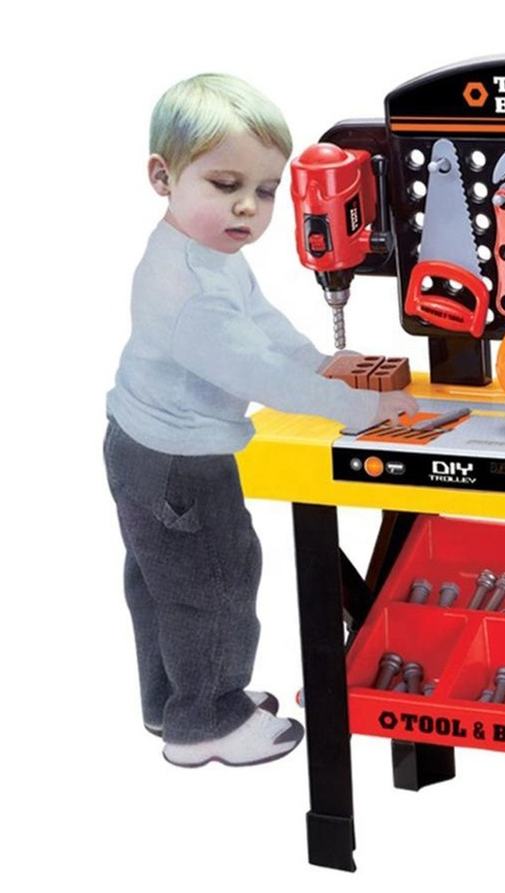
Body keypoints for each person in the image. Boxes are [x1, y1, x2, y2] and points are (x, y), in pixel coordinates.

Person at [103, 73, 417, 768]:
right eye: (226, 185)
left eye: (267, 189)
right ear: (162, 176)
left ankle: (174, 701)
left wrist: (323, 365)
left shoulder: (208, 255)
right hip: (178, 460)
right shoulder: (188, 291)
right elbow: (260, 376)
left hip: (144, 444)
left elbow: (265, 328)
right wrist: (362, 409)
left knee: (161, 583)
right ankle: (207, 723)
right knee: (215, 583)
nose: (248, 205)